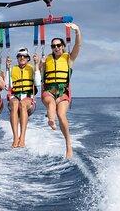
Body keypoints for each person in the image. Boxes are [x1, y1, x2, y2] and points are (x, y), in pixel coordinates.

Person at [41, 23, 82, 158]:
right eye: (53, 46)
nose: (56, 48)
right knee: (51, 104)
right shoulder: (46, 59)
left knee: (62, 115)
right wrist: (38, 64)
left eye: (59, 45)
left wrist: (77, 31)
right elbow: (38, 75)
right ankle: (51, 121)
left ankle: (68, 145)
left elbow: (78, 46)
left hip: (63, 92)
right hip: (48, 90)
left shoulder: (68, 58)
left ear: (63, 46)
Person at [6, 48, 41, 148]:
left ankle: (22, 138)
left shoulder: (32, 68)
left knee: (22, 104)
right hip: (15, 97)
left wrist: (37, 65)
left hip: (28, 98)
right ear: (17, 58)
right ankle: (15, 138)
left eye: (24, 56)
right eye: (19, 56)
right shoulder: (12, 69)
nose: (22, 57)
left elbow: (38, 83)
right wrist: (7, 69)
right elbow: (7, 85)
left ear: (28, 58)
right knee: (16, 104)